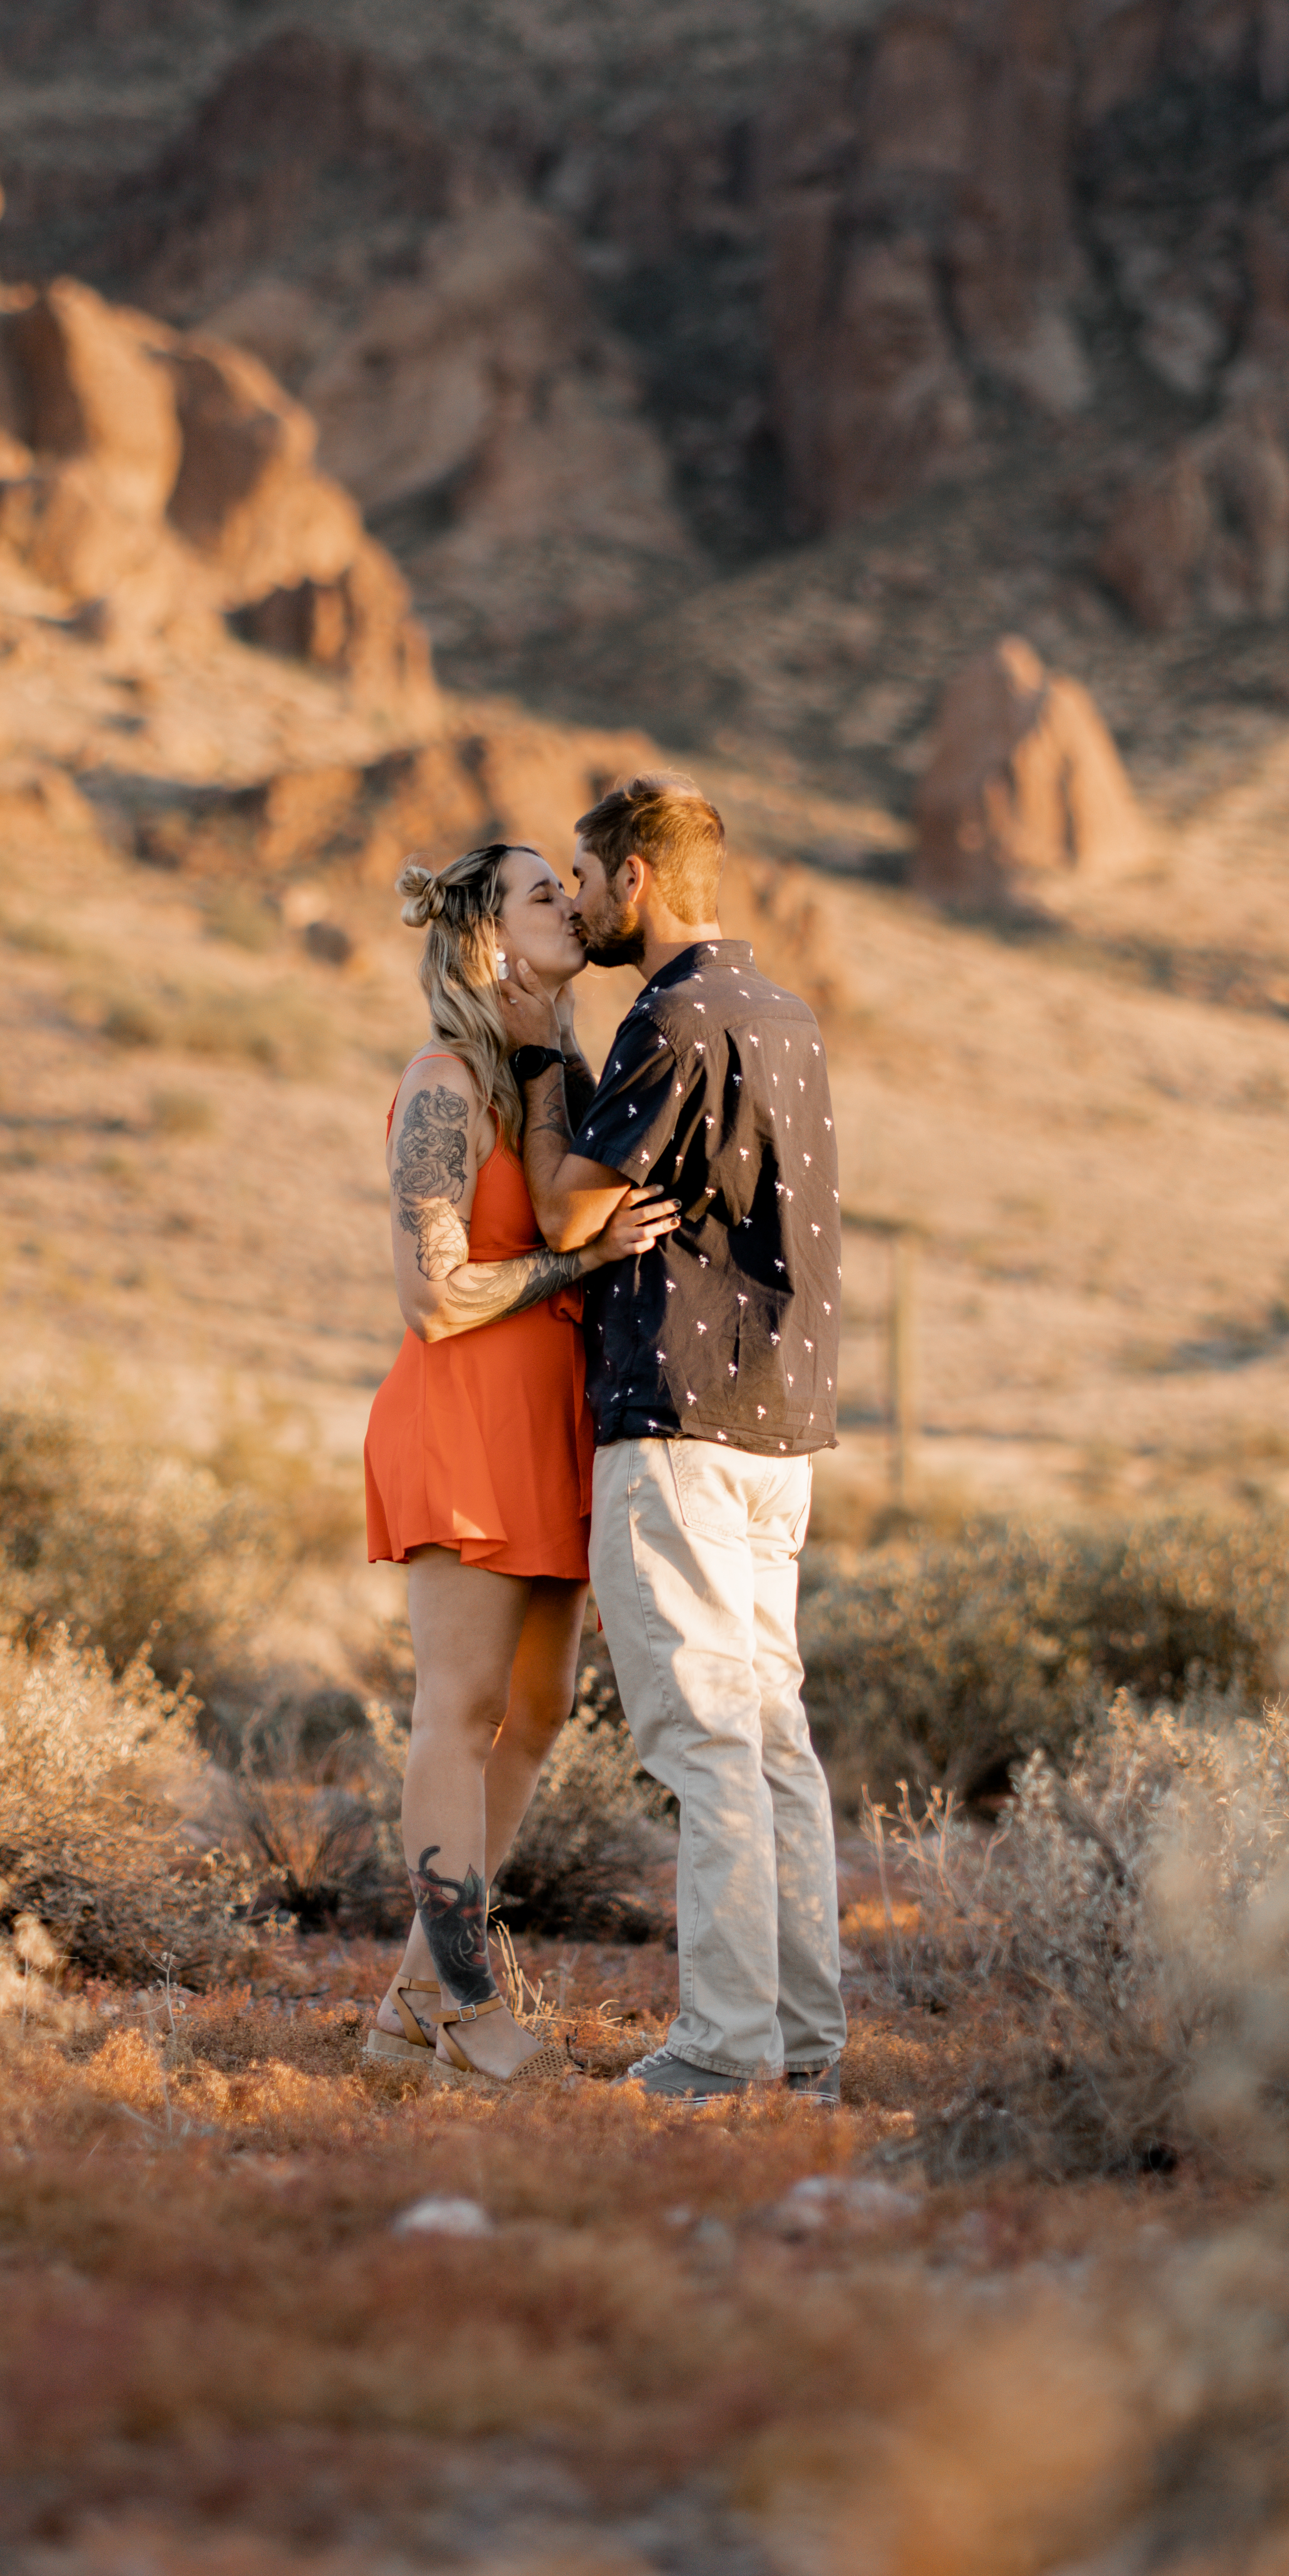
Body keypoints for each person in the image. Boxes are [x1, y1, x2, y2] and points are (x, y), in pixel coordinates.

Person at [506, 777, 846, 2103]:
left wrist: (541, 1061)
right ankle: (802, 2041)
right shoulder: (785, 1013)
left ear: (634, 879)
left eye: (585, 883)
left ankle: (719, 2049)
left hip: (679, 1424)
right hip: (780, 1435)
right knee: (770, 1741)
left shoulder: (676, 1011)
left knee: (708, 1745)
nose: (579, 905)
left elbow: (569, 1210)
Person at [360, 839, 677, 2086]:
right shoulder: (443, 1083)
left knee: (536, 1717)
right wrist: (585, 1266)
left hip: (555, 1418)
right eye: (545, 890)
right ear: (489, 933)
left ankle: (405, 2015)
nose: (573, 901)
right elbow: (433, 1296)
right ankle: (471, 2010)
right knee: (460, 1713)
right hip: (466, 1412)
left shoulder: (543, 1080)